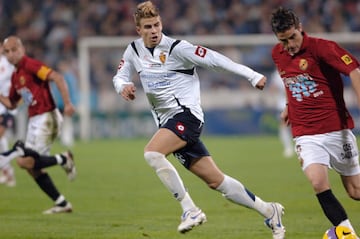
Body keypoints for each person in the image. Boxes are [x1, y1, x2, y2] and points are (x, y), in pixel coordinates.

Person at [112, 1, 285, 238]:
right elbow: (119, 76)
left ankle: (190, 210)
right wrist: (123, 86)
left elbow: (215, 59)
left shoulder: (177, 49)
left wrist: (252, 75)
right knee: (217, 181)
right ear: (138, 30)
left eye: (157, 24)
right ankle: (269, 210)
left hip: (187, 117)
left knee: (152, 153)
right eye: (148, 26)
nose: (154, 30)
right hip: (168, 123)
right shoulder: (133, 50)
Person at [270, 7, 360, 236]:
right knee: (319, 183)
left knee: (355, 190)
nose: (290, 44)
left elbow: (354, 70)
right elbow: (293, 82)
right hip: (305, 133)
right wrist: (289, 107)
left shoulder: (322, 47)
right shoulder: (277, 54)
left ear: (300, 28)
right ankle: (348, 233)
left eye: (293, 37)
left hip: (336, 129)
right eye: (284, 40)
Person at [0, 36, 77, 214]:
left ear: (22, 49)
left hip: (47, 117)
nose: (11, 54)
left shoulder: (31, 65)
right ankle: (62, 202)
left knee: (25, 161)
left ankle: (63, 159)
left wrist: (67, 103)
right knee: (31, 167)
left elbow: (56, 77)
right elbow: (12, 103)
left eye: (14, 50)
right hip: (34, 121)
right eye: (7, 52)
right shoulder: (15, 76)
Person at [0, 42, 16, 187]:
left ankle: (8, 171)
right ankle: (7, 171)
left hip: (6, 106)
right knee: (1, 139)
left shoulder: (6, 64)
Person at [269, 69, 294, 158]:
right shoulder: (276, 73)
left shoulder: (292, 68)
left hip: (295, 102)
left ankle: (295, 147)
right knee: (283, 126)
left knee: (295, 126)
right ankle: (288, 148)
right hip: (282, 104)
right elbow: (273, 87)